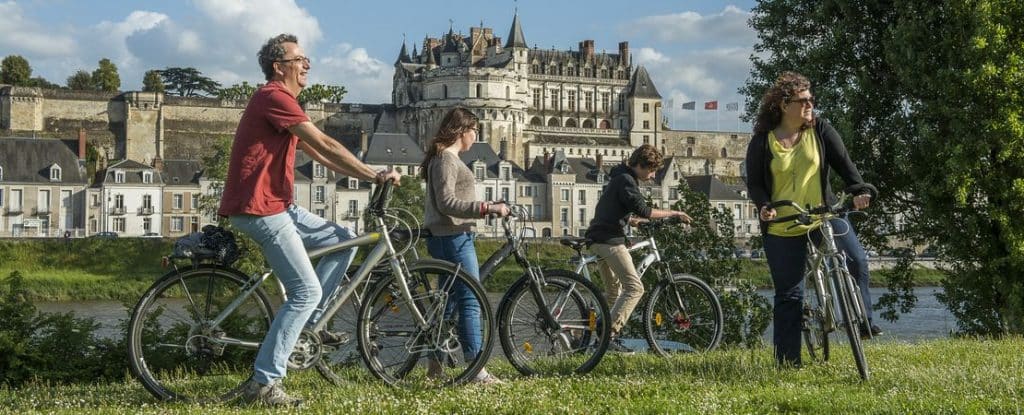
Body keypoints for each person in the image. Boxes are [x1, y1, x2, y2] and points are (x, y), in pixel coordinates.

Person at [218, 33, 400, 406]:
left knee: (341, 239)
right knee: (305, 291)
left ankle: (308, 326)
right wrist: (372, 175)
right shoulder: (274, 97)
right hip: (260, 207)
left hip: (278, 205)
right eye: (300, 59)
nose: (307, 65)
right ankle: (264, 385)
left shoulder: (280, 103)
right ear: (278, 66)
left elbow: (322, 155)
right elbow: (326, 142)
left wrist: (369, 172)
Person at [745, 71, 881, 368]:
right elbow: (754, 182)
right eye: (803, 100)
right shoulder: (762, 141)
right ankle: (788, 363)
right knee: (789, 295)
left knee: (856, 260)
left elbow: (846, 166)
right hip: (784, 223)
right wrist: (763, 205)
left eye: (811, 99)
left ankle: (864, 322)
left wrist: (860, 190)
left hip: (824, 214)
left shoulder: (821, 130)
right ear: (784, 104)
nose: (810, 105)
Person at [420, 107, 508, 384]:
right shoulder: (446, 159)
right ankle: (476, 368)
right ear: (462, 130)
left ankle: (435, 365)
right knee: (471, 299)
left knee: (447, 304)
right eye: (475, 131)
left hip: (450, 236)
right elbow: (446, 202)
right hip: (453, 236)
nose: (476, 136)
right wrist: (485, 208)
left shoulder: (446, 158)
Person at [585, 144, 692, 354]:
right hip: (610, 240)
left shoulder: (619, 176)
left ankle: (585, 334)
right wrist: (674, 213)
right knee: (635, 288)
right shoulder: (627, 181)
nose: (652, 176)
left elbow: (616, 208)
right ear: (640, 165)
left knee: (614, 292)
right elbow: (644, 209)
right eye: (651, 170)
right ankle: (609, 336)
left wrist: (632, 221)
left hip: (598, 237)